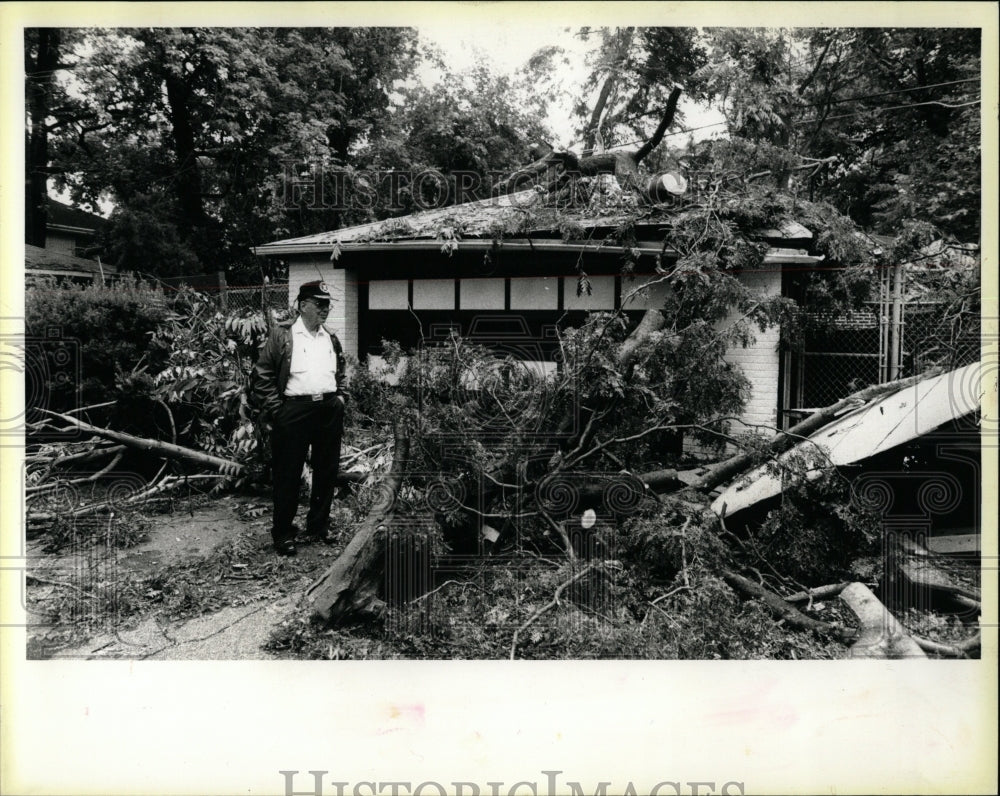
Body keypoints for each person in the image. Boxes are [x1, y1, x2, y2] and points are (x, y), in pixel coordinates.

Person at [253, 281, 348, 556]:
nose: (325, 310)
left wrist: (341, 398)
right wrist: (277, 411)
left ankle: (318, 526)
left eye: (327, 305)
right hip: (293, 411)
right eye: (320, 304)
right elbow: (262, 375)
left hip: (328, 409)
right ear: (303, 304)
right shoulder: (283, 335)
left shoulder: (329, 337)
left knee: (326, 470)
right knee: (288, 473)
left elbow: (340, 371)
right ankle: (283, 534)